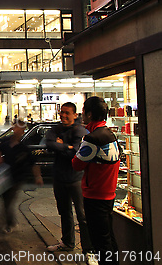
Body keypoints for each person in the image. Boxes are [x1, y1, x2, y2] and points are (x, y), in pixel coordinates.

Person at [45, 103, 97, 265]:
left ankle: (89, 251)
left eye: (67, 113)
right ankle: (67, 243)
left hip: (76, 179)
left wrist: (60, 146)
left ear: (75, 115)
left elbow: (76, 153)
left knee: (82, 216)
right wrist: (65, 146)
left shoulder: (80, 131)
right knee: (64, 212)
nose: (63, 116)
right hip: (59, 178)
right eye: (61, 113)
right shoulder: (56, 129)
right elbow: (48, 143)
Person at [72, 96, 121, 265]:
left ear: (90, 114)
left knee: (100, 242)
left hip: (95, 196)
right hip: (109, 194)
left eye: (84, 111)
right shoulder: (110, 135)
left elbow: (76, 164)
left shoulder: (92, 139)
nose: (82, 114)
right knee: (108, 238)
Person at [0, 118, 43, 233]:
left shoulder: (24, 146)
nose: (17, 131)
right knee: (5, 200)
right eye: (16, 128)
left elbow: (33, 163)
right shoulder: (5, 142)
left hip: (17, 178)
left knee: (8, 201)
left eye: (21, 129)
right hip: (4, 176)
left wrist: (38, 177)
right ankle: (9, 221)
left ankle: (9, 223)